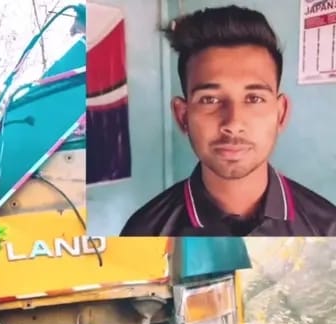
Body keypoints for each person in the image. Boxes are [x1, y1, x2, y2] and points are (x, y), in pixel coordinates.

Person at [120, 5, 336, 236]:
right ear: (183, 116)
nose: (233, 123)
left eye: (254, 98)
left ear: (280, 114)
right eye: (210, 99)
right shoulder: (144, 233)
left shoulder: (327, 229)